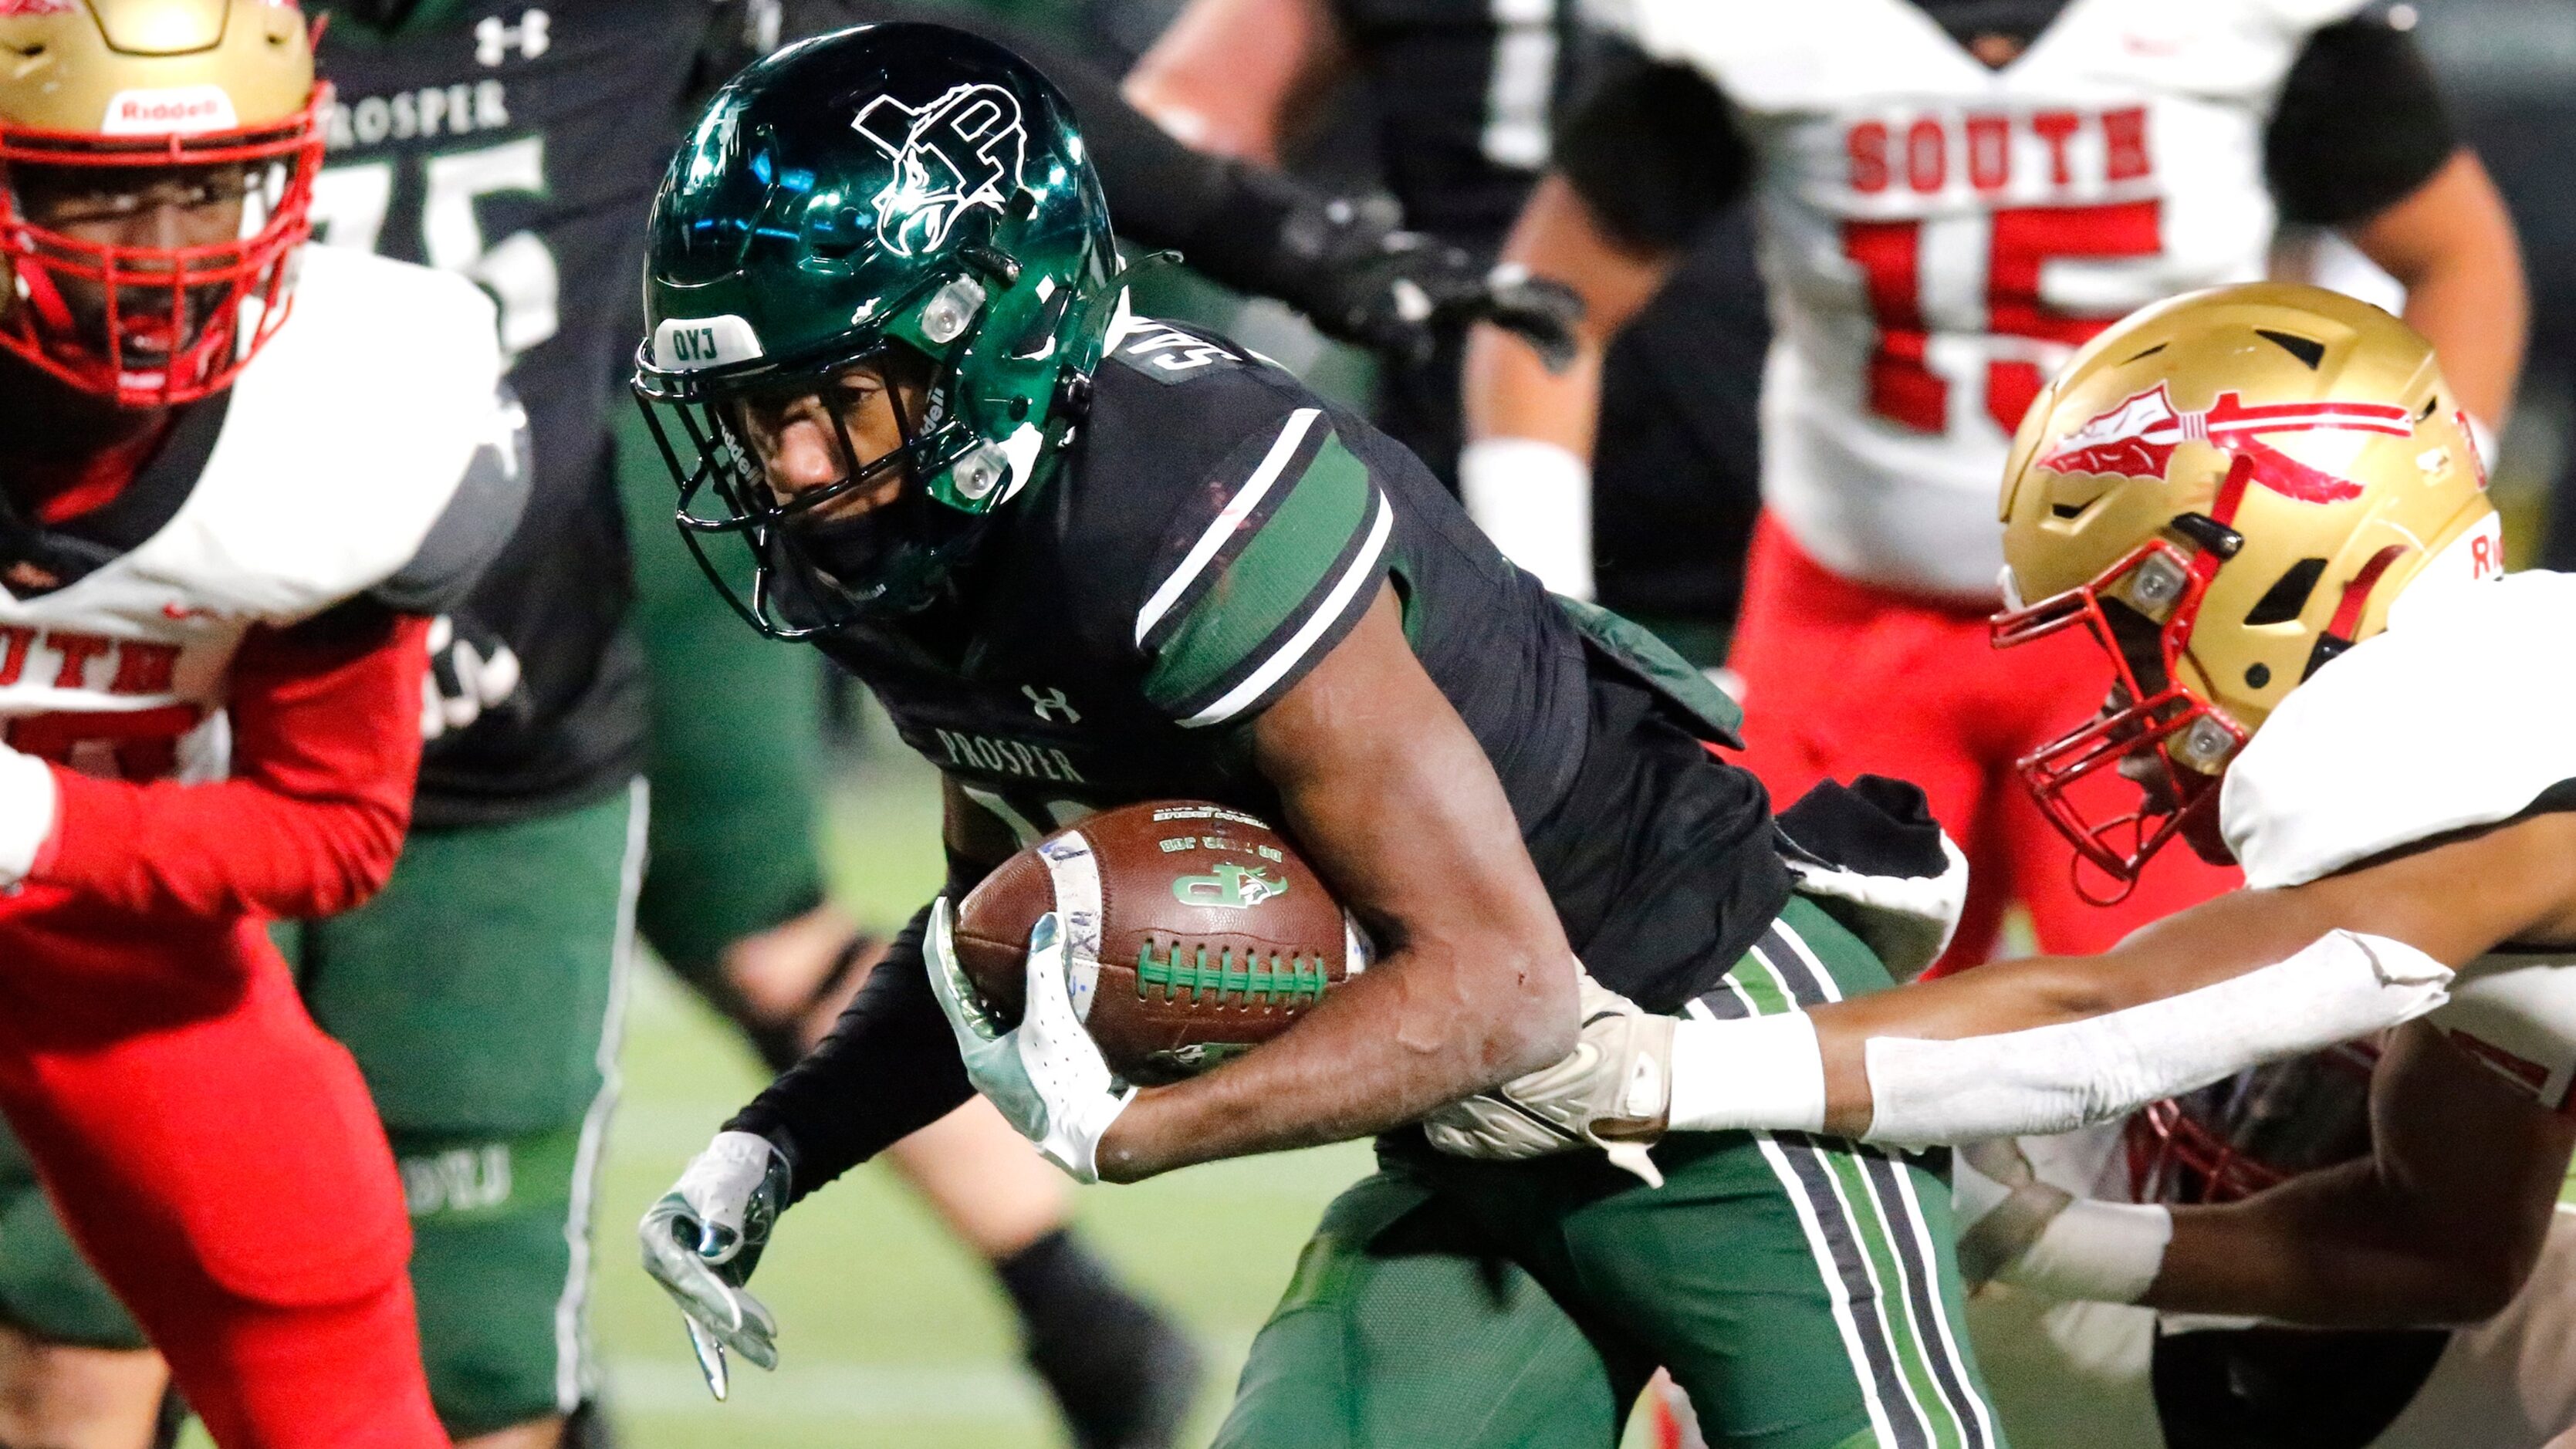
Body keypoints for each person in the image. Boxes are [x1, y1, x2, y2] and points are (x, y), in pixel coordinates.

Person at [633, 23, 2008, 1449]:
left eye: (832, 401)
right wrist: (777, 1143)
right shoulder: (894, 544)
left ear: (990, 330)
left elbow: (1509, 979)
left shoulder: (1180, 511)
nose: (791, 467)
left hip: (1699, 1030)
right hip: (1475, 1129)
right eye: (747, 412)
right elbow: (1000, 935)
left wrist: (1135, 1131)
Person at [1434, 289, 2576, 1446]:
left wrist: (1649, 1070)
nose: (2125, 696)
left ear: (2297, 572)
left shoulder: (2475, 769)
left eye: (2138, 628)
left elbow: (2116, 1015)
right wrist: (2048, 1237)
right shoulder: (2506, 768)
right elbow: (2442, 1245)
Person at [1461, 0, 2528, 972]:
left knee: (2203, 1053)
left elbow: (2454, 262)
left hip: (2171, 629)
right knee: (1791, 1010)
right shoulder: (1755, 31)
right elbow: (1545, 314)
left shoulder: (2250, 28)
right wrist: (1551, 625)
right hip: (1855, 607)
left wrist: (2392, 551)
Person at [0, 0, 528, 1441]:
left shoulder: (350, 409)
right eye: (101, 192)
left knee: (295, 1234)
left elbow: (333, 828)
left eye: (206, 189)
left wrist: (36, 818)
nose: (159, 257)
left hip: (102, 939)